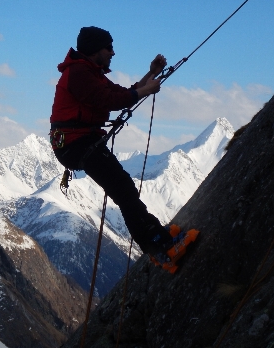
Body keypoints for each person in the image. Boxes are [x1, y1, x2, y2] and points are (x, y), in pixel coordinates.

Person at [49, 26, 182, 263]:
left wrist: (149, 76)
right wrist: (146, 90)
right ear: (94, 50)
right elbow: (110, 100)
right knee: (122, 188)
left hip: (78, 142)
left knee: (122, 187)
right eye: (108, 47)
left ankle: (155, 238)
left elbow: (123, 93)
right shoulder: (80, 74)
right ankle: (156, 243)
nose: (112, 52)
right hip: (76, 143)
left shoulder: (89, 73)